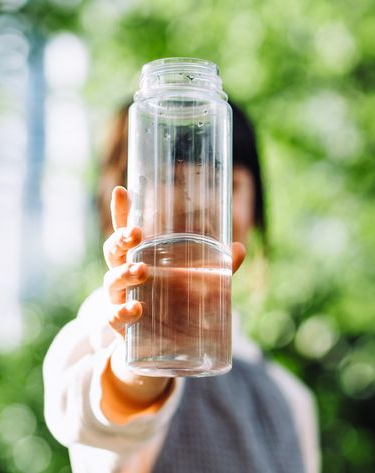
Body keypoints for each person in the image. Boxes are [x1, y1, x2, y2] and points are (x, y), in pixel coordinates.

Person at [43, 102, 320, 473]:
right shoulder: (113, 327)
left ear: (255, 208)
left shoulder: (291, 398)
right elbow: (92, 413)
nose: (200, 204)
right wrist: (144, 360)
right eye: (172, 180)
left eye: (224, 183)